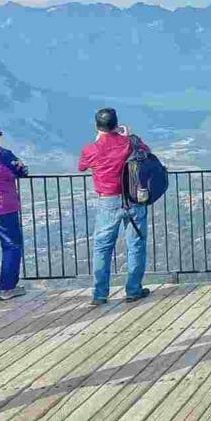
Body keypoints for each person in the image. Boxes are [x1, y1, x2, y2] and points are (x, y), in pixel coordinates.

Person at [77, 108, 150, 306]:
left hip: (107, 201)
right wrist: (125, 136)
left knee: (102, 247)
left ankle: (100, 294)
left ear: (97, 125)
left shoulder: (90, 149)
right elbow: (146, 152)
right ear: (116, 124)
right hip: (133, 198)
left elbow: (81, 166)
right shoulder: (129, 142)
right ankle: (133, 290)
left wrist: (99, 139)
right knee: (135, 245)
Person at [0, 122, 29, 300]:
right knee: (11, 245)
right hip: (2, 207)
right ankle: (7, 288)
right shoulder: (4, 155)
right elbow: (22, 170)